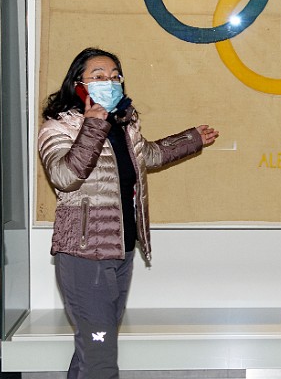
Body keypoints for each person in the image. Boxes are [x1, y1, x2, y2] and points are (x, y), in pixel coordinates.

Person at [37, 47, 218, 379]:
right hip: (84, 255)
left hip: (122, 250)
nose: (110, 81)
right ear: (78, 82)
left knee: (92, 348)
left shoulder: (124, 122)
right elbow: (65, 177)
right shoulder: (58, 126)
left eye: (115, 75)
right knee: (101, 355)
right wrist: (91, 127)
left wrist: (191, 139)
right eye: (99, 76)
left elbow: (148, 155)